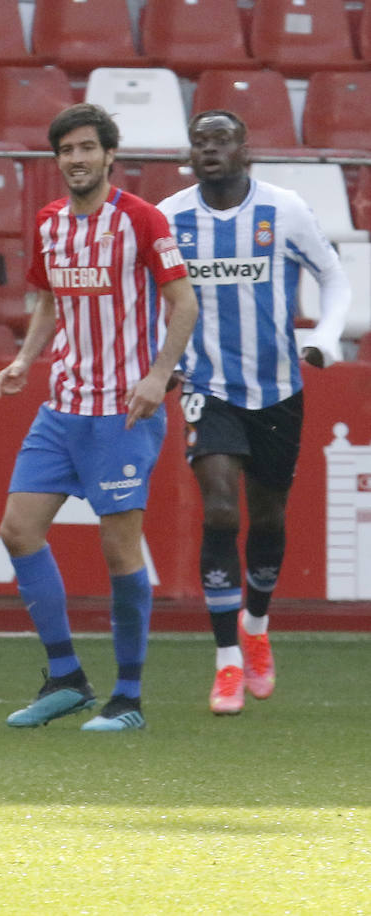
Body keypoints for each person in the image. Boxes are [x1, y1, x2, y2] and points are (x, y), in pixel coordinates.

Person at [0, 103, 198, 732]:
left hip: (122, 413)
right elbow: (50, 302)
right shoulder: (51, 222)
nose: (76, 159)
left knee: (119, 553)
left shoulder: (141, 219)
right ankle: (66, 678)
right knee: (18, 530)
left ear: (110, 154)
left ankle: (129, 698)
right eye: (66, 151)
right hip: (61, 408)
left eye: (87, 148)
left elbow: (183, 303)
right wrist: (26, 359)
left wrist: (158, 374)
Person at [157, 110, 349, 715]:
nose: (209, 149)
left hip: (278, 389)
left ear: (246, 150)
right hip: (208, 385)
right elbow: (145, 293)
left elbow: (334, 276)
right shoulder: (169, 218)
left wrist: (325, 335)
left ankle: (257, 627)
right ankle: (226, 663)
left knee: (267, 518)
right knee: (220, 510)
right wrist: (159, 363)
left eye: (222, 140)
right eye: (200, 141)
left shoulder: (284, 210)